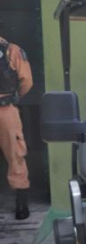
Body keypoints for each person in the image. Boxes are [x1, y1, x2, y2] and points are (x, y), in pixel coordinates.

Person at [0, 35, 33, 219]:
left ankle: (21, 201)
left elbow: (26, 81)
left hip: (6, 108)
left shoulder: (11, 50)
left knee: (15, 154)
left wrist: (12, 97)